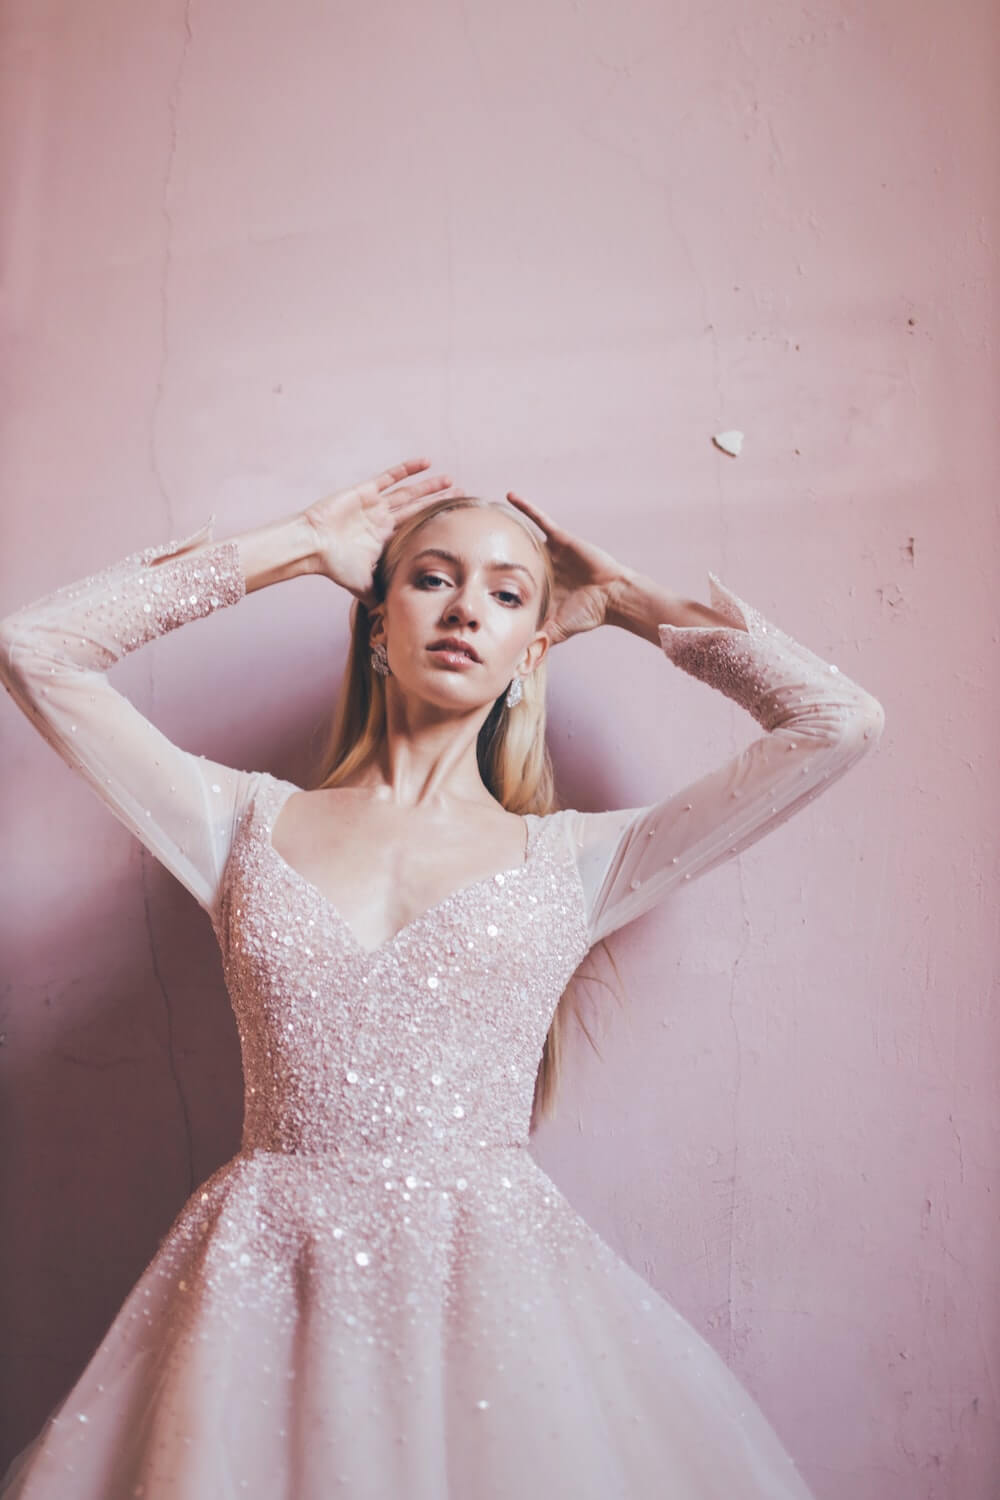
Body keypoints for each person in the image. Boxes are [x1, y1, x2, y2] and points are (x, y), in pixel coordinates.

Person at [0, 455, 885, 1499]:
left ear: (533, 646)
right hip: (262, 1285)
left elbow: (838, 724)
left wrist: (641, 607)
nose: (467, 608)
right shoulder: (236, 821)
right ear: (378, 622)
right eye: (430, 579)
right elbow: (33, 649)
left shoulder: (579, 860)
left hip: (490, 1297)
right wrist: (290, 548)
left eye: (508, 594)